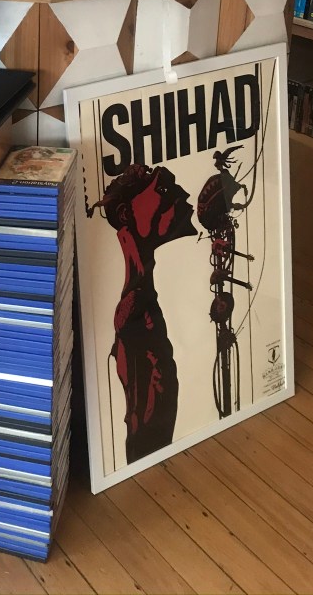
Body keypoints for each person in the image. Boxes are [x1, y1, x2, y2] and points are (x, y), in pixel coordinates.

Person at [87, 163, 197, 464]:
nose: (181, 195)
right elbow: (140, 421)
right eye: (162, 189)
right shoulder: (134, 309)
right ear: (126, 214)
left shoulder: (140, 301)